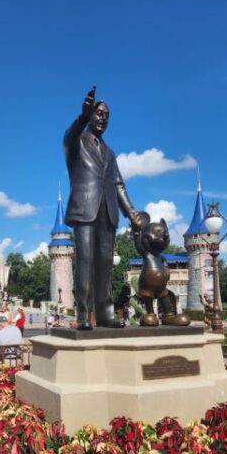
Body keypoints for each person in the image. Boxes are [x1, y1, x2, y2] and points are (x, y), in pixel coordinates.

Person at [64, 87, 141, 330]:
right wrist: (82, 116)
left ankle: (106, 313)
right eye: (98, 114)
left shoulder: (110, 152)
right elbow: (68, 136)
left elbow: (118, 184)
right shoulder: (77, 142)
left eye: (106, 115)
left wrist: (130, 212)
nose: (102, 118)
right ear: (90, 116)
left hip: (108, 212)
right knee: (85, 262)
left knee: (105, 264)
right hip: (84, 209)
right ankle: (85, 315)